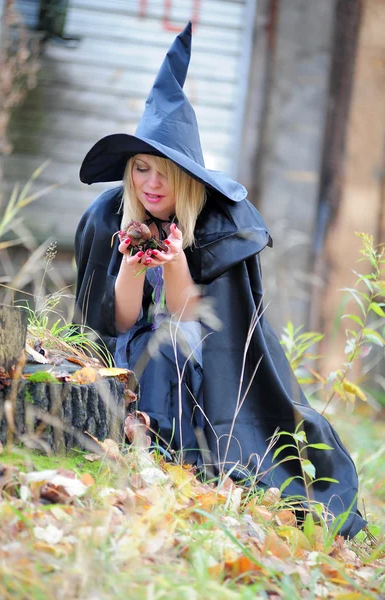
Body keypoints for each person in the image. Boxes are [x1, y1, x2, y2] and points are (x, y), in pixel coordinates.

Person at [74, 23, 364, 537]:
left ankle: (177, 459)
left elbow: (194, 321)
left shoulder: (214, 225)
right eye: (141, 168)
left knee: (167, 355)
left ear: (186, 176)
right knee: (148, 353)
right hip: (129, 356)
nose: (152, 183)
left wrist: (172, 261)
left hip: (199, 361)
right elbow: (115, 322)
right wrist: (132, 269)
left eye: (164, 170)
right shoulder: (109, 217)